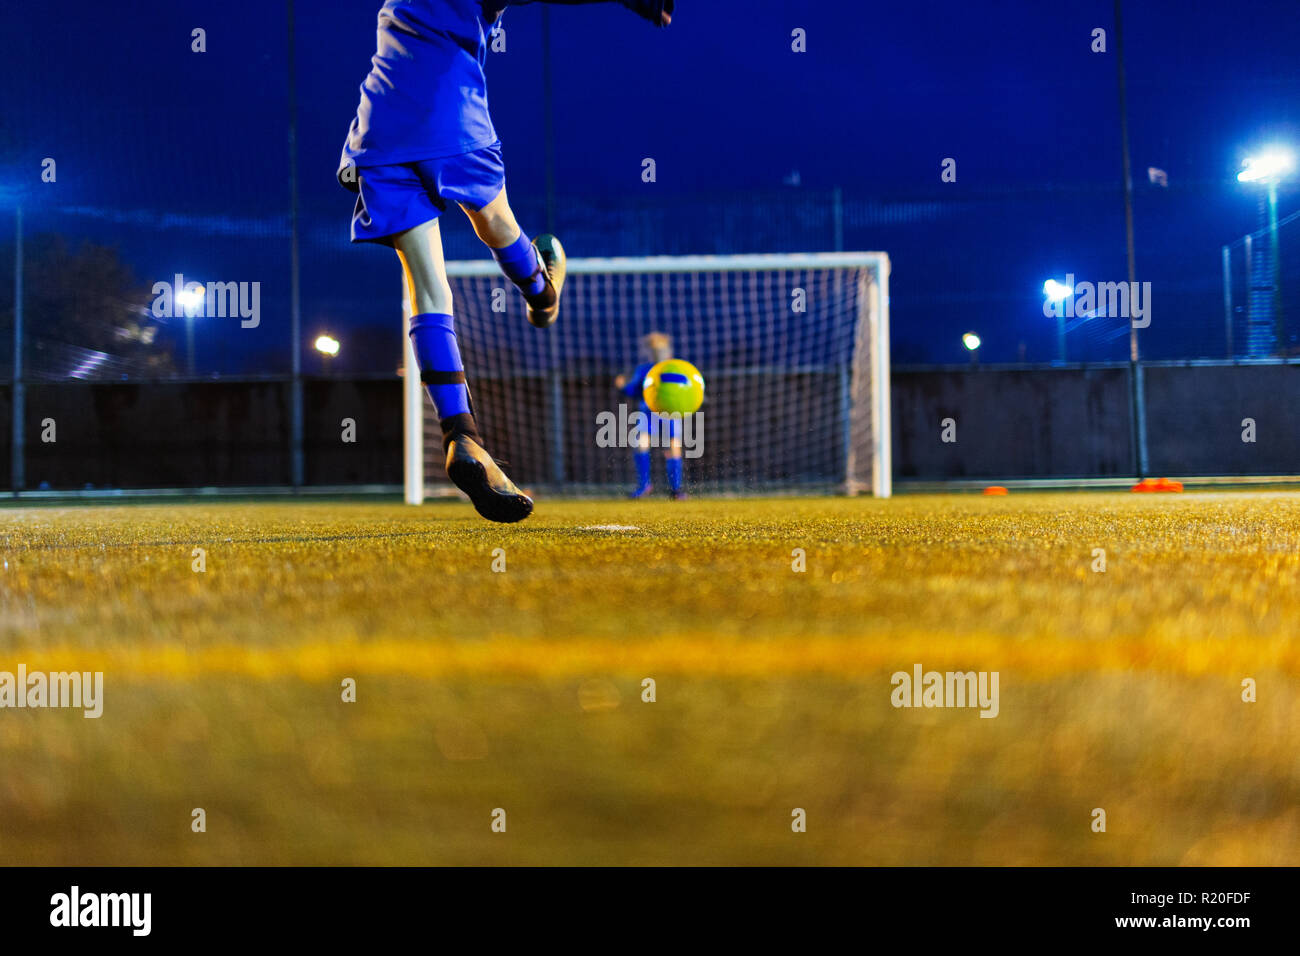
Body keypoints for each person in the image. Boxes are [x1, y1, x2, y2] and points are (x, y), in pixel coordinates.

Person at [338, 0, 674, 522]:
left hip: (380, 129)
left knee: (428, 291)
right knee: (495, 220)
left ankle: (462, 436)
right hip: (452, 116)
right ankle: (541, 289)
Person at [614, 332, 686, 500]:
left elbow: (687, 388)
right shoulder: (645, 370)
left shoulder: (675, 368)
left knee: (674, 447)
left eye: (661, 349)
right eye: (655, 350)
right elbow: (634, 391)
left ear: (668, 352)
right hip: (648, 413)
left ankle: (676, 489)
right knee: (641, 443)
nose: (658, 353)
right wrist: (623, 387)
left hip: (670, 413)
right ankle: (644, 485)